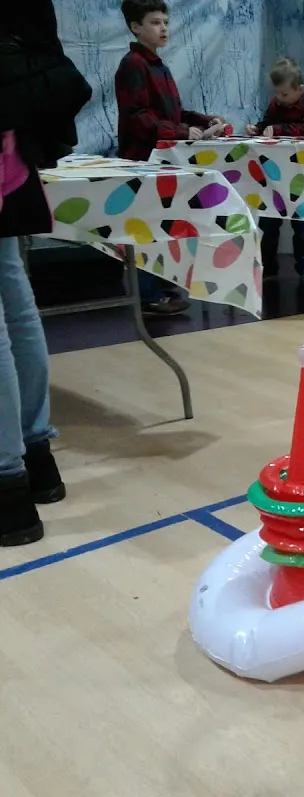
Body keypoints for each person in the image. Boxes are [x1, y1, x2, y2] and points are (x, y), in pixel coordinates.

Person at [0, 0, 89, 546]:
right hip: (11, 152)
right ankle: (36, 458)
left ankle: (7, 485)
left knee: (8, 311)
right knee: (16, 302)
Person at [116, 0, 224, 316]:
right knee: (145, 228)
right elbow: (137, 116)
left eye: (165, 21)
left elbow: (172, 112)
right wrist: (180, 131)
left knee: (162, 226)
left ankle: (160, 289)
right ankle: (147, 295)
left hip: (161, 162)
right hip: (142, 160)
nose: (163, 28)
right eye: (155, 22)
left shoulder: (157, 65)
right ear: (136, 27)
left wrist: (201, 120)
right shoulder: (133, 65)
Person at [246, 57, 304, 285]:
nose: (279, 98)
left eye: (284, 94)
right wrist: (257, 128)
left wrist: (278, 129)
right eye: (277, 93)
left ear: (300, 90)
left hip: (300, 175)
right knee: (269, 222)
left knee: (302, 225)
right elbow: (267, 123)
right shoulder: (275, 105)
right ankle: (268, 267)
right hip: (274, 176)